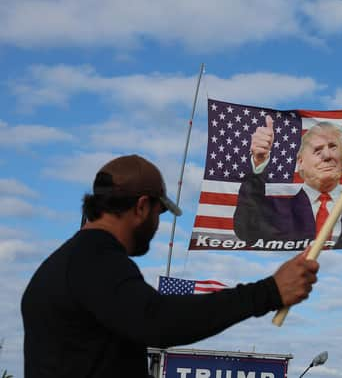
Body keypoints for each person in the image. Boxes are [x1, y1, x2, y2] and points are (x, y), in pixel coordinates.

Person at [21, 154, 319, 378]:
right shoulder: (95, 258)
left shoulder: (67, 261)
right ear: (141, 207)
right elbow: (156, 321)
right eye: (158, 212)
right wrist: (269, 292)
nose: (156, 223)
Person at [233, 117, 342, 247]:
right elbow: (247, 229)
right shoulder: (278, 210)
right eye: (317, 150)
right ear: (301, 162)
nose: (327, 155)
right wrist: (258, 165)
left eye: (333, 147)